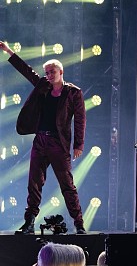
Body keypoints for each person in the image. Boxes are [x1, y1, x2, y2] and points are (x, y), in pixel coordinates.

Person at [0, 41, 86, 235]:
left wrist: (78, 144)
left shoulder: (73, 93)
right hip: (40, 141)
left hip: (58, 143)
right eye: (47, 72)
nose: (49, 75)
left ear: (61, 72)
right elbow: (26, 70)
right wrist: (8, 51)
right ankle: (29, 222)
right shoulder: (43, 86)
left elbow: (80, 119)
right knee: (34, 183)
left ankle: (79, 223)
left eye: (52, 72)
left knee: (67, 184)